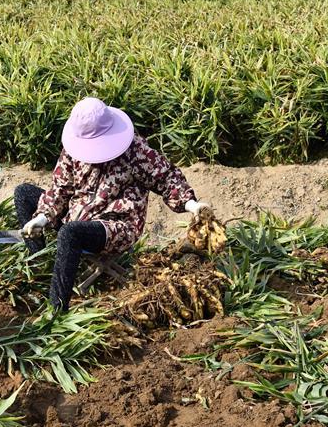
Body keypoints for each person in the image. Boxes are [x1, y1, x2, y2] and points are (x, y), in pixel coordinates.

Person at [15, 97, 211, 310]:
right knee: (24, 193)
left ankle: (57, 309)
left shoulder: (135, 151)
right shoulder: (72, 151)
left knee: (69, 233)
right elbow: (60, 190)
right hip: (77, 214)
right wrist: (42, 218)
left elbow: (166, 177)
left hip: (115, 226)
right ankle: (39, 267)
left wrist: (192, 205)